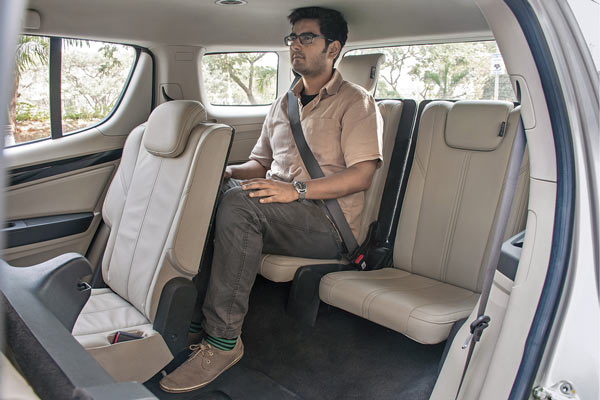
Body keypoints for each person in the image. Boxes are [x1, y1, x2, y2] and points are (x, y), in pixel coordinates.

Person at [159, 6, 383, 393]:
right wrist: (223, 172)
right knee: (214, 194)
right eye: (292, 38)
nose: (295, 45)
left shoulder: (356, 102)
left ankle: (223, 342)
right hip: (281, 208)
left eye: (307, 38)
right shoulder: (283, 103)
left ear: (333, 48)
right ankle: (193, 319)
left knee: (240, 205)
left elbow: (362, 175)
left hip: (329, 224)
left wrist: (296, 190)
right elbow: (260, 164)